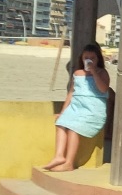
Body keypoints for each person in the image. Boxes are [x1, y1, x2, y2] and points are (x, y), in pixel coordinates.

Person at [43, 43, 110, 172]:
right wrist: (62, 112)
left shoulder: (102, 73)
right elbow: (71, 93)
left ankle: (69, 163)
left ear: (98, 59)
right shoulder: (77, 73)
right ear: (82, 59)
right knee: (61, 123)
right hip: (77, 108)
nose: (89, 60)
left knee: (73, 128)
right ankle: (59, 156)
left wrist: (93, 72)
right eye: (86, 58)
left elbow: (103, 89)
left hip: (93, 111)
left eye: (92, 58)